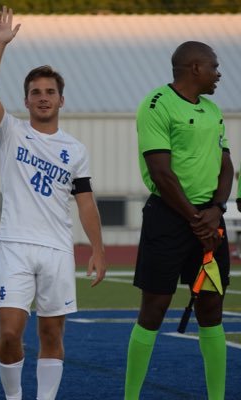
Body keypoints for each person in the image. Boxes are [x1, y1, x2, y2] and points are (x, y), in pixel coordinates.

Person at [0, 6, 107, 400]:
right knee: (10, 335)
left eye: (50, 92)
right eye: (36, 93)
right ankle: (14, 397)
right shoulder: (10, 133)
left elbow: (85, 202)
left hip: (57, 249)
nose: (43, 98)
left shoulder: (75, 150)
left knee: (51, 333)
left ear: (61, 100)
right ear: (27, 100)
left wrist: (97, 249)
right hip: (15, 246)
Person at [124, 41, 234, 400]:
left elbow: (226, 165)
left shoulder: (213, 110)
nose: (219, 74)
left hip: (208, 220)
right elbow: (161, 172)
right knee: (154, 307)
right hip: (169, 220)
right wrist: (195, 219)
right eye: (215, 67)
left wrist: (216, 209)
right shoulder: (156, 105)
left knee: (211, 306)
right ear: (195, 68)